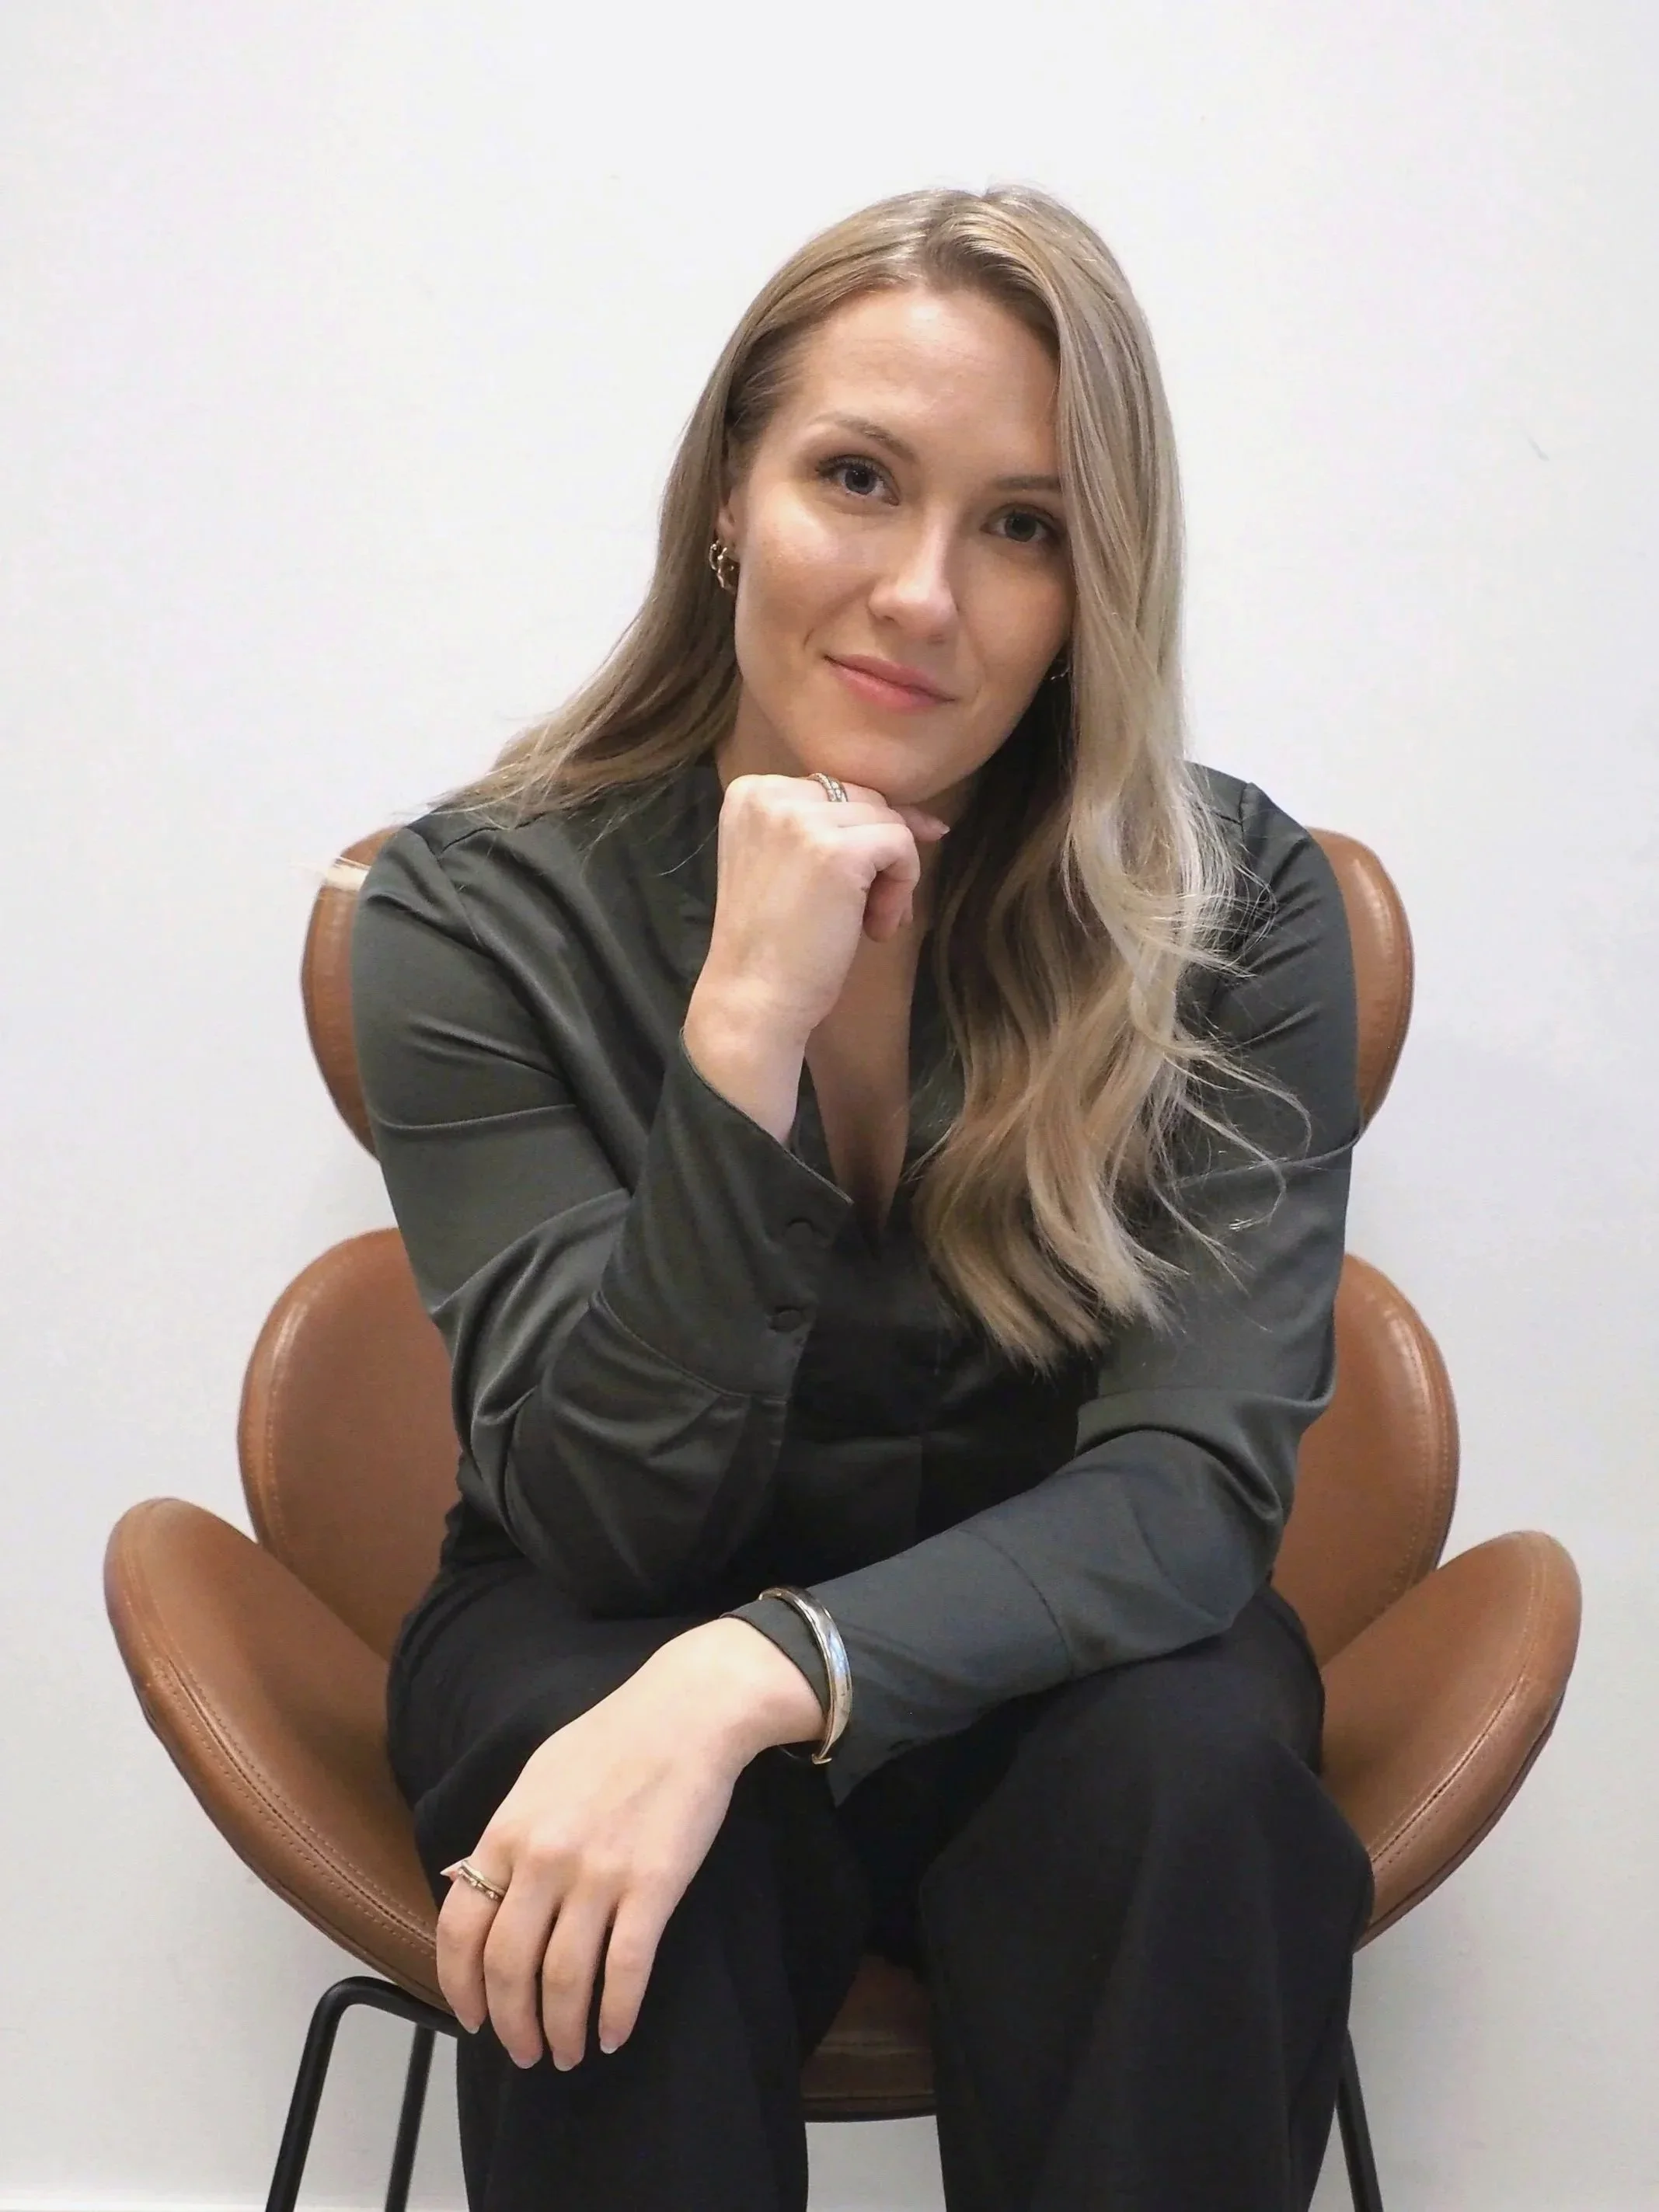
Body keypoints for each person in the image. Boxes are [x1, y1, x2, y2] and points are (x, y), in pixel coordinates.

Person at [350, 182, 1376, 2212]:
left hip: (1071, 1627)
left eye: (1022, 525)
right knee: (605, 1774)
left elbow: (1187, 1483)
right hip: (601, 1594)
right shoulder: (472, 903)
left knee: (1193, 1777)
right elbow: (608, 1511)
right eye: (856, 477)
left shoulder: (1233, 901)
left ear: (1098, 584)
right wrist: (742, 1020)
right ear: (728, 490)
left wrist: (758, 1674)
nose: (925, 590)